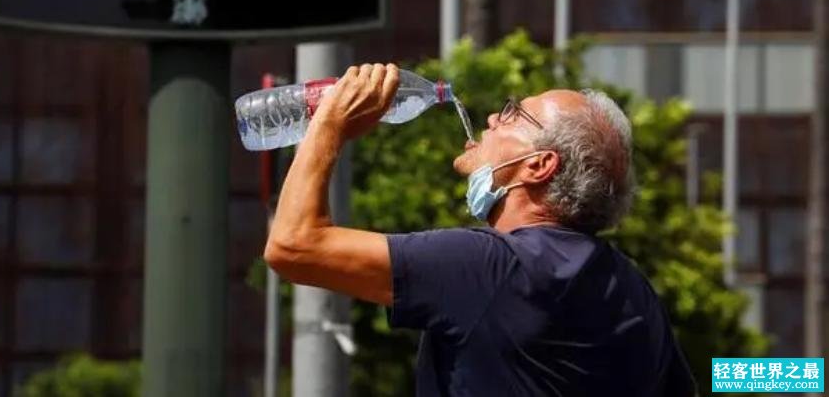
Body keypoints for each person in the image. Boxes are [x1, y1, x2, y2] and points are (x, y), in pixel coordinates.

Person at [265, 63, 697, 397]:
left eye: (514, 114)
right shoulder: (633, 289)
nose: (492, 117)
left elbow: (293, 244)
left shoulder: (488, 267)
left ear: (538, 165)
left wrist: (328, 125)